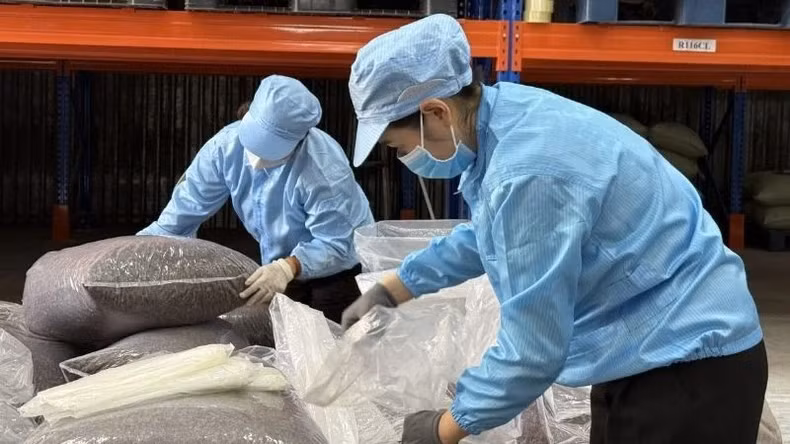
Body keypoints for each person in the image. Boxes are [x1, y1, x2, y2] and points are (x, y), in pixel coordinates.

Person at [342, 14, 767, 444]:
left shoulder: (526, 172)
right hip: (652, 351)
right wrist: (396, 286)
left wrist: (445, 427)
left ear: (435, 112)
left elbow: (533, 352)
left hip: (687, 371)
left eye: (399, 147)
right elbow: (489, 234)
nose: (404, 159)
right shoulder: (506, 117)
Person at [139, 75, 374, 323]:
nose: (257, 160)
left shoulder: (323, 171)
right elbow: (182, 213)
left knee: (331, 338)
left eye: (271, 151)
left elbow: (338, 244)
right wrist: (139, 251)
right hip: (278, 264)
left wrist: (288, 267)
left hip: (339, 269)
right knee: (286, 337)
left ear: (299, 140)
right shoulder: (224, 147)